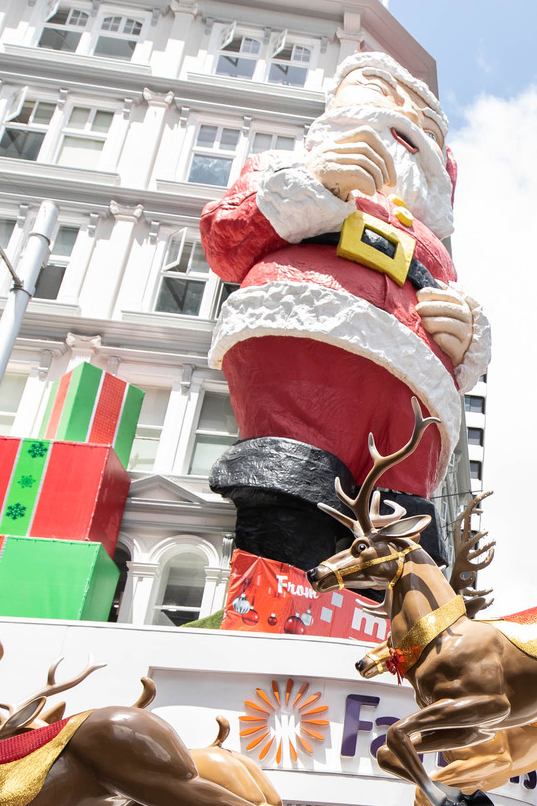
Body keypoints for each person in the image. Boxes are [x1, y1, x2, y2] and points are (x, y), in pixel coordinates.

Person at [199, 51, 490, 568]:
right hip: (303, 351)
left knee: (401, 534)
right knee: (291, 490)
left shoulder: (434, 245)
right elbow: (225, 238)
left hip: (412, 397)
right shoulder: (285, 170)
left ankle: (388, 635)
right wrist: (315, 184)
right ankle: (276, 613)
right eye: (379, 87)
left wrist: (467, 334)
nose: (404, 115)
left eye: (425, 121)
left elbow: (460, 322)